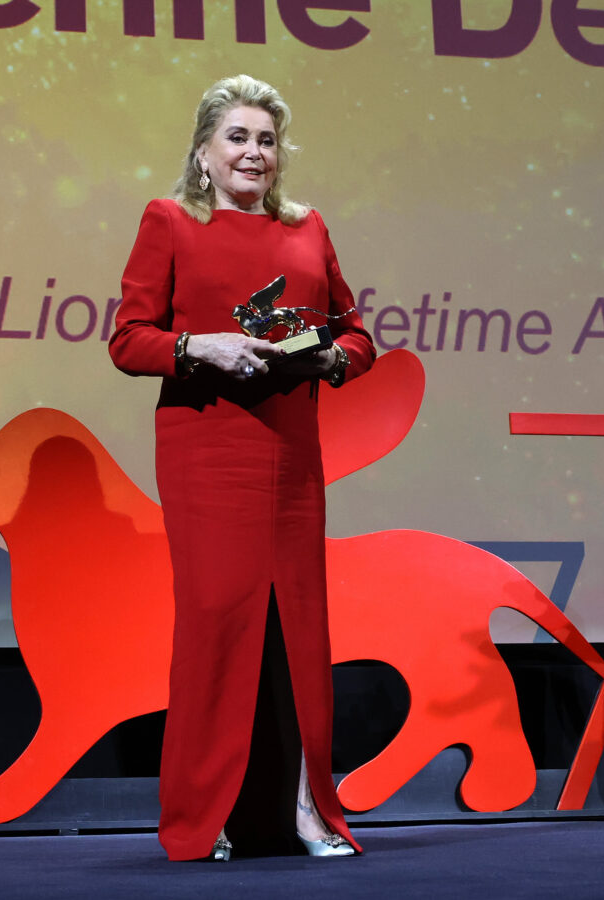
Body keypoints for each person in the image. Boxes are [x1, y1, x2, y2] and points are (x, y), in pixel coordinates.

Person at [108, 74, 375, 861]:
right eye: (238, 138)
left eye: (266, 140)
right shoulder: (169, 222)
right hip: (208, 451)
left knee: (300, 627)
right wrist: (200, 347)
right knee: (218, 625)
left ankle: (306, 812)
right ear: (203, 153)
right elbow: (128, 340)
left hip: (291, 455)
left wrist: (329, 358)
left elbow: (358, 337)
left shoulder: (308, 229)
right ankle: (207, 817)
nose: (254, 153)